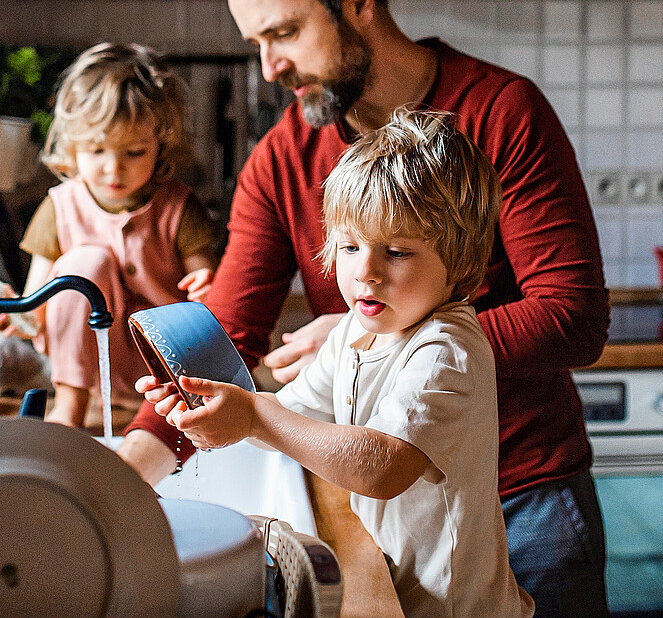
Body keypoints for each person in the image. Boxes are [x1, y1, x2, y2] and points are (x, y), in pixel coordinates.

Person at [117, 0, 612, 617]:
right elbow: (223, 334)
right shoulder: (283, 154)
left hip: (524, 497)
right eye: (256, 41)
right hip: (385, 516)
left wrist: (385, 339)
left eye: (283, 32)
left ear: (357, 1)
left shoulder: (503, 113)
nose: (269, 67)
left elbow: (571, 315)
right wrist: (129, 469)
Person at [141, 109, 533, 618]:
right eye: (349, 246)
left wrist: (255, 415)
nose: (364, 272)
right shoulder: (357, 328)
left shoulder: (444, 350)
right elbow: (295, 416)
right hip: (402, 589)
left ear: (457, 260)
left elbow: (382, 467)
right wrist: (216, 413)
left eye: (395, 252)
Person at [0, 42, 218, 427]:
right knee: (84, 264)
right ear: (73, 147)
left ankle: (155, 411)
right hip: (89, 370)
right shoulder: (60, 206)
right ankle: (69, 408)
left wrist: (208, 285)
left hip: (169, 369)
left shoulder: (178, 207)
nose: (114, 169)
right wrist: (16, 312)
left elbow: (210, 286)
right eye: (97, 151)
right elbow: (37, 304)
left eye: (134, 152)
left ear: (161, 146)